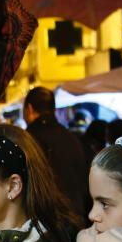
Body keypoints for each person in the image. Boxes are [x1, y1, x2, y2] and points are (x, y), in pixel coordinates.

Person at [23, 87, 89, 220]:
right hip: (75, 217)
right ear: (53, 110)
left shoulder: (27, 139)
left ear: (29, 109)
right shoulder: (71, 138)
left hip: (44, 221)